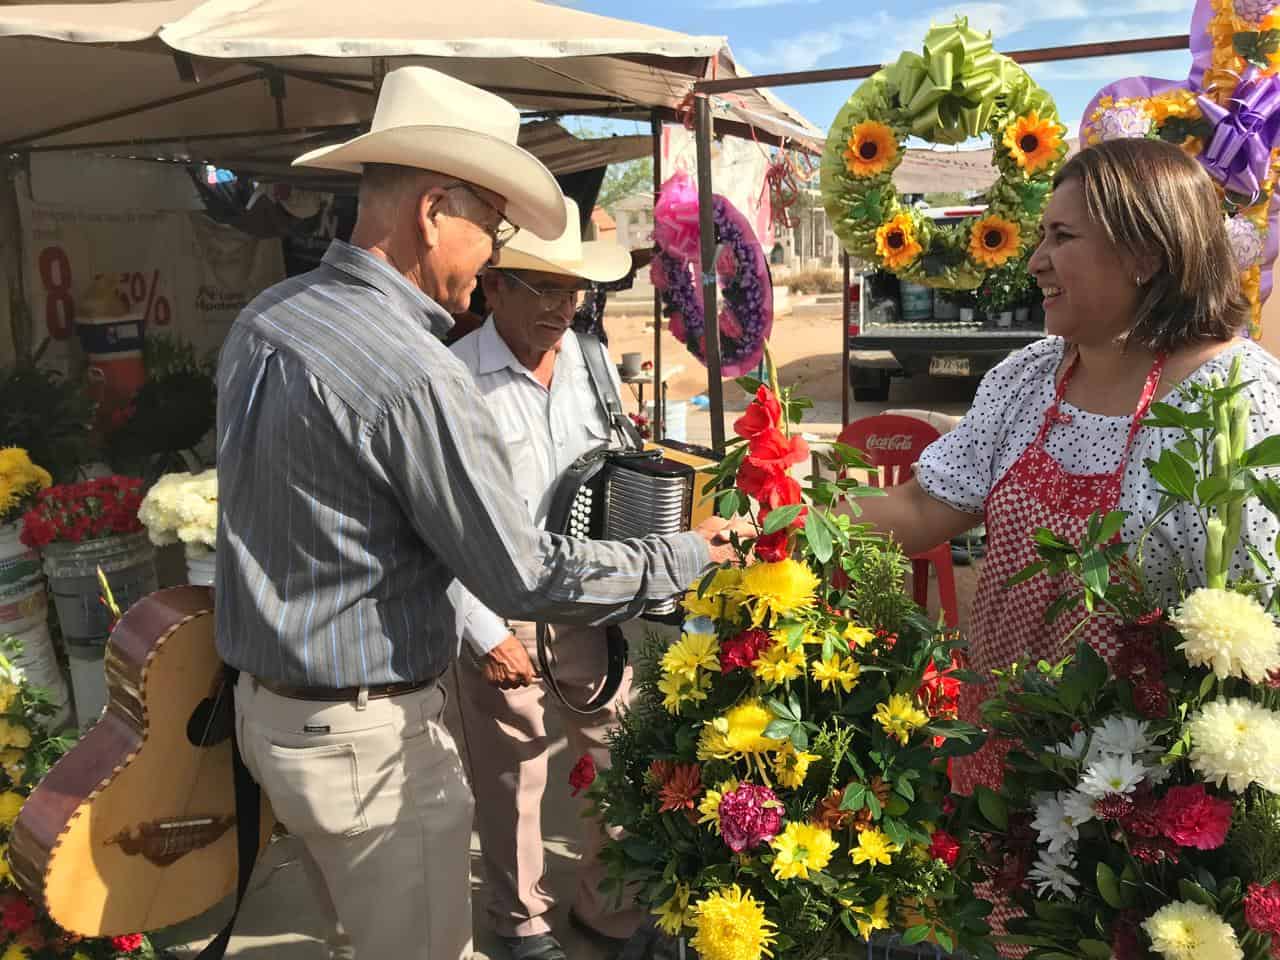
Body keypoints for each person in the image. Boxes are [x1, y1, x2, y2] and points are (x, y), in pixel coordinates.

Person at [214, 66, 734, 960]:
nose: (493, 255)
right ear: (432, 210)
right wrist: (682, 554)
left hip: (268, 719)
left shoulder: (267, 318)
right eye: (489, 228)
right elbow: (521, 571)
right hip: (365, 741)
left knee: (359, 935)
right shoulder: (416, 372)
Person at [845, 138, 1280, 796]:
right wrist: (794, 514)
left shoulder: (1239, 401)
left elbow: (1260, 631)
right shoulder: (1028, 378)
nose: (1036, 260)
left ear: (1145, 253)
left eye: (1062, 236)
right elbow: (921, 510)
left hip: (1147, 799)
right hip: (1005, 761)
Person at [448, 196, 638, 960]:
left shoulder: (593, 363)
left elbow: (615, 469)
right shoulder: (452, 379)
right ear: (494, 287)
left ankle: (608, 906)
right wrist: (483, 631)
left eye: (574, 291)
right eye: (543, 289)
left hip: (590, 602)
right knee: (513, 780)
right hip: (501, 609)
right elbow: (438, 522)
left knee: (616, 760)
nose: (563, 307)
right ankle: (519, 921)